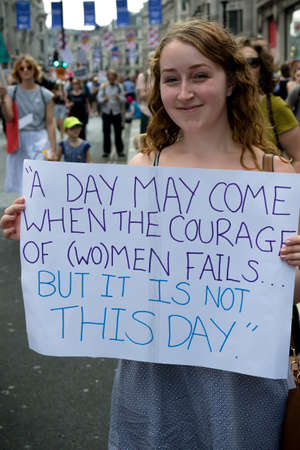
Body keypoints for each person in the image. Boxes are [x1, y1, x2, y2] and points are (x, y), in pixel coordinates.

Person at [1, 19, 300, 449]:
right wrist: (41, 234)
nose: (184, 93)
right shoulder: (146, 168)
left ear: (232, 82)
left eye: (200, 76)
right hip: (157, 371)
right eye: (171, 79)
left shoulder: (275, 173)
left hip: (241, 375)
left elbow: (285, 294)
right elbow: (116, 258)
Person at [237, 37, 300, 173]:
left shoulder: (275, 106)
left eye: (252, 62)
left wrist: (284, 189)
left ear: (262, 68)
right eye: (239, 62)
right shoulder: (218, 109)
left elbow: (298, 157)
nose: (246, 68)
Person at [0, 54, 56, 194]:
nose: (25, 70)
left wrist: (53, 149)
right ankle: (25, 214)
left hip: (40, 140)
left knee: (39, 180)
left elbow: (50, 123)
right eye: (22, 68)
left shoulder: (46, 94)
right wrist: (1, 99)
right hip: (19, 141)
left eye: (29, 67)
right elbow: (9, 118)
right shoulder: (11, 92)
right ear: (17, 72)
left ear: (34, 70)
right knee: (22, 184)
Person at [97, 69, 126, 158]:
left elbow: (124, 100)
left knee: (118, 133)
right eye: (110, 78)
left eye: (113, 78)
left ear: (115, 78)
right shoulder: (103, 86)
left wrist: (119, 97)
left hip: (116, 113)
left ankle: (120, 151)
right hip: (106, 112)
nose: (111, 80)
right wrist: (104, 100)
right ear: (108, 78)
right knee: (106, 133)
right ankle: (106, 151)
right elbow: (99, 98)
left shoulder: (119, 86)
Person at [136, 51, 154, 133]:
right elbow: (141, 96)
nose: (153, 62)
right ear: (148, 61)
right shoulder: (143, 76)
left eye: (156, 60)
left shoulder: (163, 75)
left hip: (161, 113)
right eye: (151, 60)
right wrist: (153, 91)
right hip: (146, 112)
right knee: (145, 140)